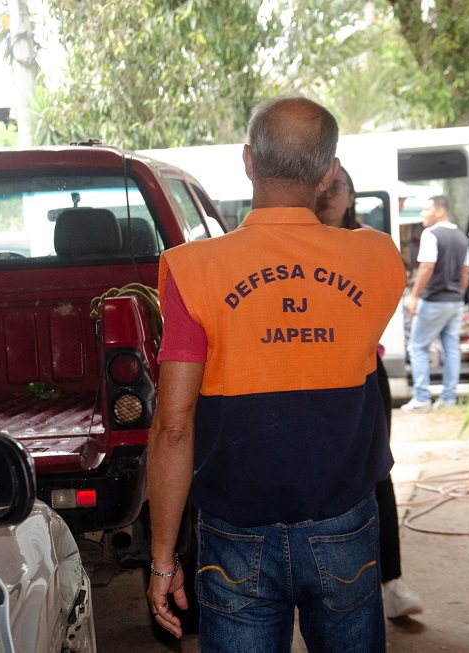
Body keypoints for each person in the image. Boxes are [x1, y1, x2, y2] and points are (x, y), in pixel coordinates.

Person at [145, 96, 406, 652]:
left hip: (236, 532)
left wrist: (163, 559)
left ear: (247, 161)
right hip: (344, 523)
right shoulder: (379, 257)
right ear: (329, 173)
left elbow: (173, 426)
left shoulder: (194, 270)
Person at [314, 164, 423, 619]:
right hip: (306, 373)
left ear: (351, 196)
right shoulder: (295, 244)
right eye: (321, 187)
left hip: (362, 371)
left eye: (337, 187)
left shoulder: (371, 247)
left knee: (376, 467)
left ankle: (391, 581)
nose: (328, 196)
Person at [401, 195, 469, 413]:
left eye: (426, 209)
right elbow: (466, 271)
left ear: (440, 211)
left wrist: (415, 296)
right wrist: (458, 294)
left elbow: (426, 267)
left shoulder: (431, 234)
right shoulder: (462, 237)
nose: (422, 214)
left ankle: (422, 398)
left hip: (433, 300)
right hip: (454, 301)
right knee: (451, 349)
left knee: (418, 346)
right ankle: (448, 398)